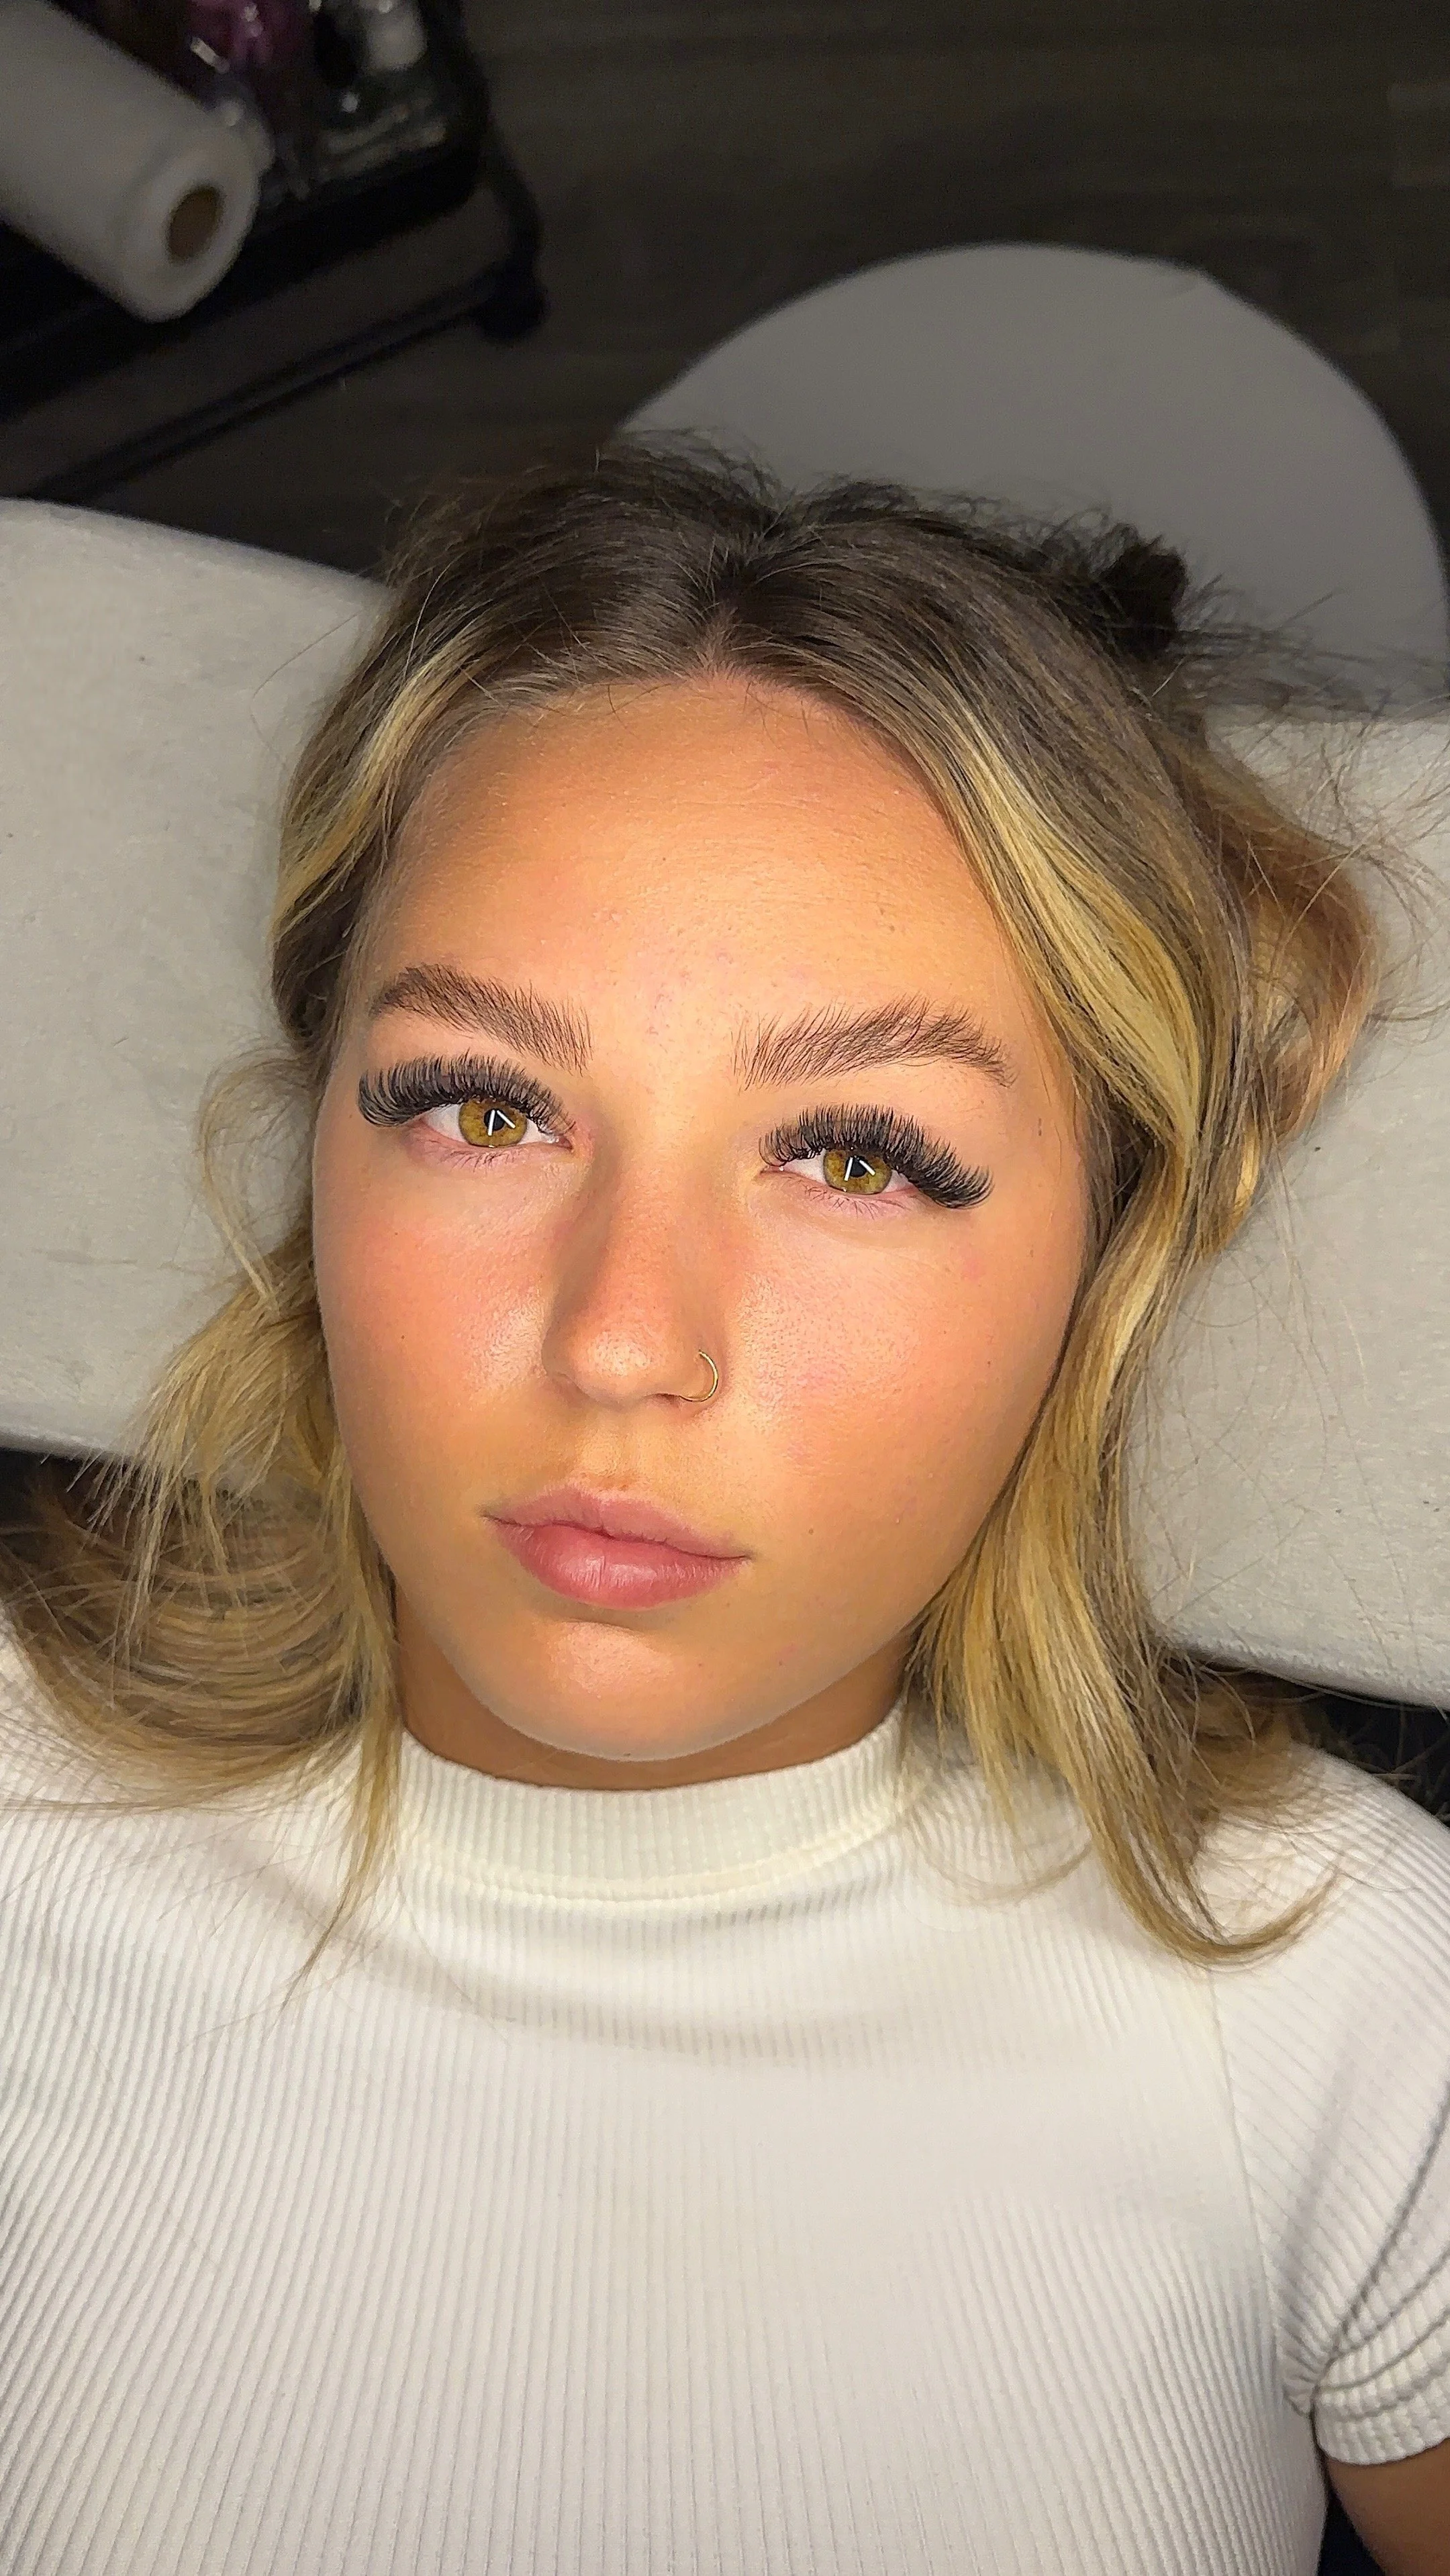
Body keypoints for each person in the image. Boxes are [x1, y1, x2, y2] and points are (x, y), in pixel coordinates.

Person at [0, 444, 1447, 2575]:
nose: (623, 1339)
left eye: (856, 1152)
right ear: (323, 1156)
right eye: (482, 1105)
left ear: (1101, 1252)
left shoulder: (1347, 2007)